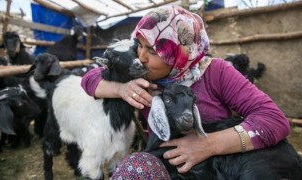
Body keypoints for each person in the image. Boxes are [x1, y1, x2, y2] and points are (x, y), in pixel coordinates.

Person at [81, 5, 289, 179]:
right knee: (134, 168)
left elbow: (273, 120)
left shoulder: (216, 71)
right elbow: (89, 80)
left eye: (153, 51)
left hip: (218, 167)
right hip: (171, 166)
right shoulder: (140, 72)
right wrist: (122, 88)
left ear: (180, 55)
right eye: (139, 45)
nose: (141, 56)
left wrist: (207, 145)